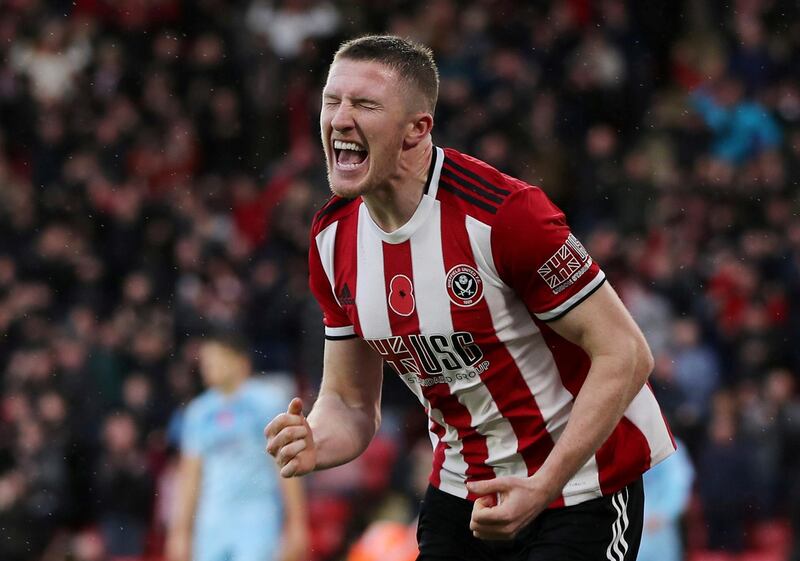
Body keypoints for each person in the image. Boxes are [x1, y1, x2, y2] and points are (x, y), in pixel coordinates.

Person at [265, 35, 675, 561]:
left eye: (365, 105)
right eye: (331, 100)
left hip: (580, 486)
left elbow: (627, 353)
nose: (340, 119)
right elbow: (347, 402)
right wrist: (316, 440)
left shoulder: (505, 216)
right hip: (466, 492)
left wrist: (545, 484)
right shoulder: (331, 239)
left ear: (418, 129)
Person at [168, 331, 308, 561]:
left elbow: (286, 465)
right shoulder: (198, 412)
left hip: (257, 517)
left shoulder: (268, 401)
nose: (209, 366)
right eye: (206, 360)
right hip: (211, 521)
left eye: (215, 358)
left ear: (240, 361)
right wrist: (180, 532)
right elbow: (190, 477)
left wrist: (296, 524)